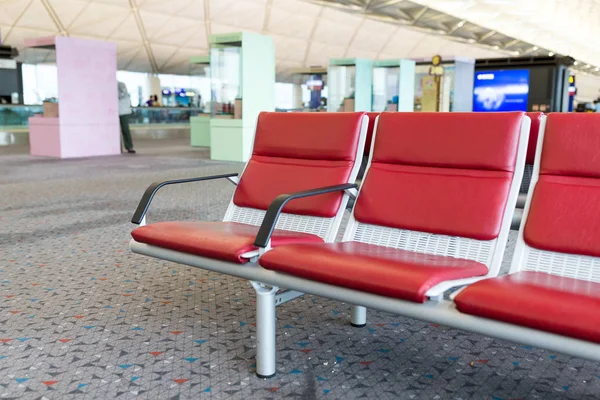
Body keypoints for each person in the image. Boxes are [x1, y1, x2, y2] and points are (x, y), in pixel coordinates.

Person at [118, 82, 135, 154]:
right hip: (113, 111)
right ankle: (118, 147)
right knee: (114, 131)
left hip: (123, 110)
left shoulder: (120, 84)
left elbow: (123, 94)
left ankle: (129, 146)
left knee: (125, 128)